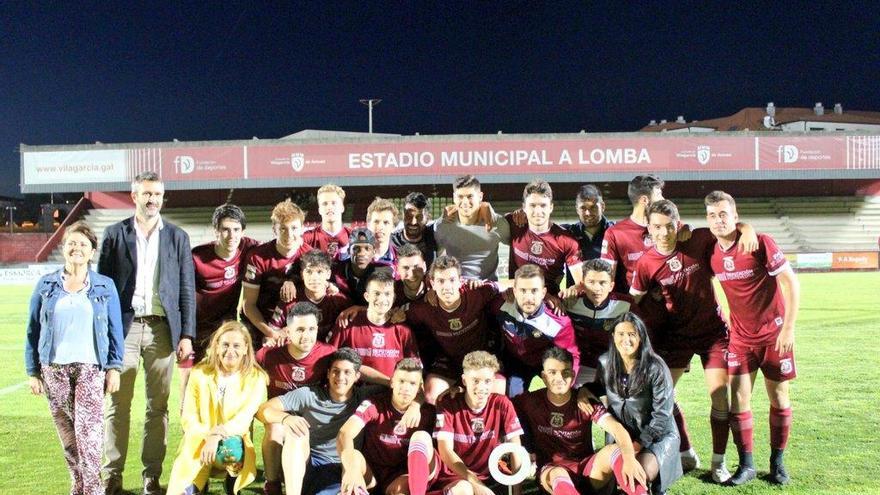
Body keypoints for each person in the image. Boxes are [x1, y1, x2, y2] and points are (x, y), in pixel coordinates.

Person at [98, 171, 196, 495]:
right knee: (117, 405)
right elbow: (102, 289)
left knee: (158, 407)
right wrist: (104, 335)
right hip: (124, 330)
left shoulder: (178, 237)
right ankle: (111, 475)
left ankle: (151, 476)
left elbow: (186, 289)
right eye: (146, 194)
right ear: (134, 195)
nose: (152, 199)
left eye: (157, 194)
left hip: (162, 330)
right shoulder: (114, 234)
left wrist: (187, 335)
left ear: (163, 197)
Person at [630, 199, 735, 482]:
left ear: (678, 224)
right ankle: (686, 451)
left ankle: (719, 462)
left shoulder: (698, 239)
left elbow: (728, 231)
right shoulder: (645, 263)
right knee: (663, 397)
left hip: (714, 334)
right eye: (657, 227)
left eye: (669, 226)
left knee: (719, 397)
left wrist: (746, 229)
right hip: (677, 337)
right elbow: (634, 303)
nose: (664, 233)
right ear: (649, 229)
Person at [705, 191, 800, 485]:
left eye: (724, 214)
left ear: (735, 216)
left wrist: (789, 329)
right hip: (741, 339)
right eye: (712, 215)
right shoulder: (710, 252)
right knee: (738, 401)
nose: (719, 220)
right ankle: (746, 465)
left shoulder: (760, 242)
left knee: (779, 398)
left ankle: (777, 462)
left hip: (774, 336)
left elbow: (791, 283)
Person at [26, 221, 124, 495]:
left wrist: (114, 368)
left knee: (90, 435)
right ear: (63, 248)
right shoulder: (45, 284)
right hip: (53, 369)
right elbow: (33, 330)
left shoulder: (105, 286)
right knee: (68, 437)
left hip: (91, 370)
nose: (76, 248)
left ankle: (93, 490)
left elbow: (115, 330)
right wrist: (33, 372)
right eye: (71, 243)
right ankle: (78, 486)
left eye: (83, 244)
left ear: (92, 251)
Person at [257, 348, 419, 495]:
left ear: (357, 376)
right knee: (296, 434)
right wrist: (286, 418)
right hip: (308, 464)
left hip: (344, 466)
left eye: (348, 372)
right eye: (336, 371)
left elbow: (406, 386)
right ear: (328, 373)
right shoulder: (308, 395)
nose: (341, 377)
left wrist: (415, 405)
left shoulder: (364, 396)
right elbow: (263, 410)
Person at [515, 347, 647, 495]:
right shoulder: (529, 401)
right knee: (558, 473)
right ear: (544, 377)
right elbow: (501, 408)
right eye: (552, 373)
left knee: (614, 450)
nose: (559, 378)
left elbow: (617, 428)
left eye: (565, 373)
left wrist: (629, 459)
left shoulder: (584, 402)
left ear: (572, 375)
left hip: (587, 471)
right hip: (551, 472)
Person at [167, 321, 268, 495]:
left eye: (236, 345)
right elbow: (189, 416)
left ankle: (232, 486)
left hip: (231, 444)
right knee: (183, 486)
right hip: (200, 440)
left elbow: (243, 420)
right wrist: (209, 436)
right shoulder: (199, 373)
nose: (230, 351)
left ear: (246, 348)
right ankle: (195, 486)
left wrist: (217, 435)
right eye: (225, 345)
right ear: (216, 347)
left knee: (232, 449)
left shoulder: (256, 378)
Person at [408, 351, 525, 495]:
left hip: (469, 482)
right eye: (475, 381)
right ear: (464, 380)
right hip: (445, 471)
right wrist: (473, 480)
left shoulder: (502, 404)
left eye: (487, 381)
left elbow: (516, 448)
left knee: (464, 490)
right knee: (420, 437)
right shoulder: (448, 402)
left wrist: (517, 493)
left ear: (493, 381)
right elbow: (445, 450)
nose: (482, 387)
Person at [594, 313, 682, 495]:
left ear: (641, 337)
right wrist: (584, 393)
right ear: (613, 336)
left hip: (657, 436)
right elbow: (598, 388)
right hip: (622, 435)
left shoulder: (656, 367)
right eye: (620, 334)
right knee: (614, 477)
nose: (625, 339)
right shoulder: (604, 363)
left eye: (632, 334)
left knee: (640, 471)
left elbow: (662, 416)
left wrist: (636, 446)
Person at [258, 302, 337, 495]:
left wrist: (389, 381)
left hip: (313, 425)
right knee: (275, 428)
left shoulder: (327, 354)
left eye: (311, 329)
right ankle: (273, 484)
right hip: (280, 418)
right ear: (288, 331)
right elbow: (244, 368)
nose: (306, 335)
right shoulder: (269, 355)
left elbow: (353, 370)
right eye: (300, 329)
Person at [186, 204, 260, 404]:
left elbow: (275, 254)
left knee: (227, 381)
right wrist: (184, 333)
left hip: (225, 328)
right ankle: (194, 432)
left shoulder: (248, 248)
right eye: (225, 229)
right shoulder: (197, 257)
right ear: (216, 231)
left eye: (236, 230)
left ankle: (229, 429)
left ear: (242, 232)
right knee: (191, 387)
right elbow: (182, 296)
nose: (231, 235)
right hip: (197, 329)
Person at [404, 255, 502, 403]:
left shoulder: (476, 293)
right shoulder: (424, 308)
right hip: (450, 360)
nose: (447, 286)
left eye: (451, 280)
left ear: (460, 280)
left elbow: (507, 286)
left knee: (496, 394)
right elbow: (395, 313)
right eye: (441, 281)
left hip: (482, 358)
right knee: (431, 396)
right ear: (432, 283)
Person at [337, 358, 435, 495]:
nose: (405, 388)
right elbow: (344, 433)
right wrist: (350, 469)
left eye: (412, 383)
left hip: (399, 479)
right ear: (392, 382)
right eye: (401, 381)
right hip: (371, 476)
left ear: (420, 387)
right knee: (353, 456)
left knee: (402, 487)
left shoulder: (428, 413)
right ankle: (355, 490)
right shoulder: (374, 404)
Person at [491, 263, 580, 397]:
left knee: (562, 396)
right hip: (515, 361)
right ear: (514, 291)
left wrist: (569, 383)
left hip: (545, 362)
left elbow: (571, 355)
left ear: (544, 293)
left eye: (534, 291)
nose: (528, 298)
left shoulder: (557, 322)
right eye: (523, 291)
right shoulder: (500, 304)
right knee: (514, 399)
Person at [329, 269, 420, 385]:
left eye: (387, 294)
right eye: (376, 293)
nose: (382, 299)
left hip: (390, 393)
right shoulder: (348, 323)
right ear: (367, 296)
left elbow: (414, 369)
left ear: (394, 297)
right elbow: (331, 357)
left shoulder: (403, 330)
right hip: (353, 392)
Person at [242, 199, 309, 346]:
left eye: (294, 228)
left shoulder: (309, 256)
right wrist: (272, 333)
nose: (289, 234)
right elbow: (248, 305)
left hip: (295, 324)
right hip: (260, 323)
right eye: (283, 229)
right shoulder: (258, 257)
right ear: (274, 229)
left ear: (302, 228)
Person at [564, 258, 636, 386]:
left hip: (612, 366)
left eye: (602, 283)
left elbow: (641, 339)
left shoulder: (626, 305)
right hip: (579, 365)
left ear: (611, 286)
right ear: (582, 284)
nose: (597, 288)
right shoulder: (570, 302)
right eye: (591, 282)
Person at [506, 179, 582, 293]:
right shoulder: (512, 224)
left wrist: (571, 291)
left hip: (551, 302)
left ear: (551, 207)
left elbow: (580, 283)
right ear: (524, 207)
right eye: (532, 205)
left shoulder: (566, 240)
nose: (538, 211)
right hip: (516, 297)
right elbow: (488, 221)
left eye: (543, 205)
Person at [433, 174, 511, 281]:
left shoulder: (496, 223)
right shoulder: (442, 225)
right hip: (456, 288)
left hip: (488, 288)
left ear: (480, 196)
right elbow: (436, 253)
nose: (465, 202)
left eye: (470, 196)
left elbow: (518, 244)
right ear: (454, 198)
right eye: (460, 197)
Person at [268, 249, 353, 342]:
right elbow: (271, 333)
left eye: (320, 272)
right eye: (309, 272)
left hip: (330, 351)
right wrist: (279, 335)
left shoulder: (340, 300)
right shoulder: (290, 299)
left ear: (328, 274)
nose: (314, 277)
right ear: (302, 275)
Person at [560, 184, 614, 287]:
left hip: (609, 299)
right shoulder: (568, 233)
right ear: (576, 209)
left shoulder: (616, 232)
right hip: (577, 300)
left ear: (602, 206)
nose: (588, 213)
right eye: (583, 208)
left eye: (593, 207)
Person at [332, 227, 386, 306]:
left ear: (374, 252)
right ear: (348, 251)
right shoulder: (336, 271)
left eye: (367, 248)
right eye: (356, 248)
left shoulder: (382, 272)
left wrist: (360, 309)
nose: (361, 253)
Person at [303, 184, 351, 258]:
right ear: (319, 210)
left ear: (342, 207)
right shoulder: (307, 238)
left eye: (334, 203)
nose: (329, 207)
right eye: (325, 204)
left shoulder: (353, 236)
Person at [390, 192, 437, 267]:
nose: (413, 222)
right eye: (408, 216)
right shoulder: (392, 241)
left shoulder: (435, 238)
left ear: (428, 218)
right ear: (403, 215)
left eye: (419, 217)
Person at [366, 197, 400, 266]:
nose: (380, 227)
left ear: (393, 227)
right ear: (368, 225)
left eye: (386, 222)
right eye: (376, 222)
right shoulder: (358, 257)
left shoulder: (400, 259)